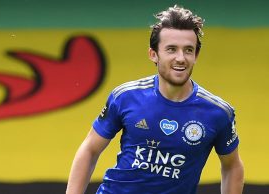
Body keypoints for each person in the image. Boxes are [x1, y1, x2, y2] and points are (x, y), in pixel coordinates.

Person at [66, 5, 244, 194]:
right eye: (171, 49)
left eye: (188, 50)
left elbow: (232, 166)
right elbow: (89, 150)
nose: (180, 58)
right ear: (153, 54)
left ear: (196, 56)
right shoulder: (125, 97)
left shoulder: (218, 112)